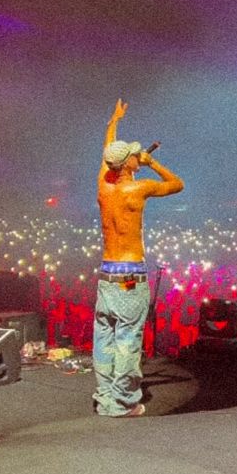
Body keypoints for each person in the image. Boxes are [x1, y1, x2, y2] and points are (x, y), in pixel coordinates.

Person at [93, 98, 184, 416]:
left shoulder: (104, 189)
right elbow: (177, 184)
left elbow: (107, 155)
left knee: (104, 337)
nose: (137, 155)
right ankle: (123, 402)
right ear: (129, 164)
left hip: (106, 274)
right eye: (133, 155)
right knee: (128, 340)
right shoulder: (138, 189)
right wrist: (151, 162)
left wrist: (112, 123)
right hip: (129, 276)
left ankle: (105, 396)